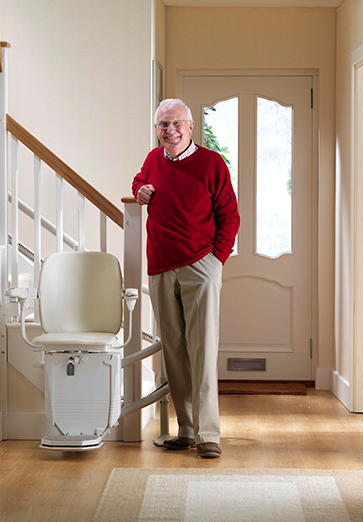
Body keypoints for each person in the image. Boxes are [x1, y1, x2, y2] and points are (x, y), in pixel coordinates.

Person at [132, 98, 240, 458]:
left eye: (177, 124)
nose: (171, 131)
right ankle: (188, 428)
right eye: (164, 125)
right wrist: (139, 190)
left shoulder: (212, 163)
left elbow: (230, 215)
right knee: (174, 351)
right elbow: (139, 182)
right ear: (156, 128)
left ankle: (210, 433)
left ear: (191, 127)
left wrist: (216, 261)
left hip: (200, 265)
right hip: (161, 266)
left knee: (202, 348)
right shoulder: (152, 160)